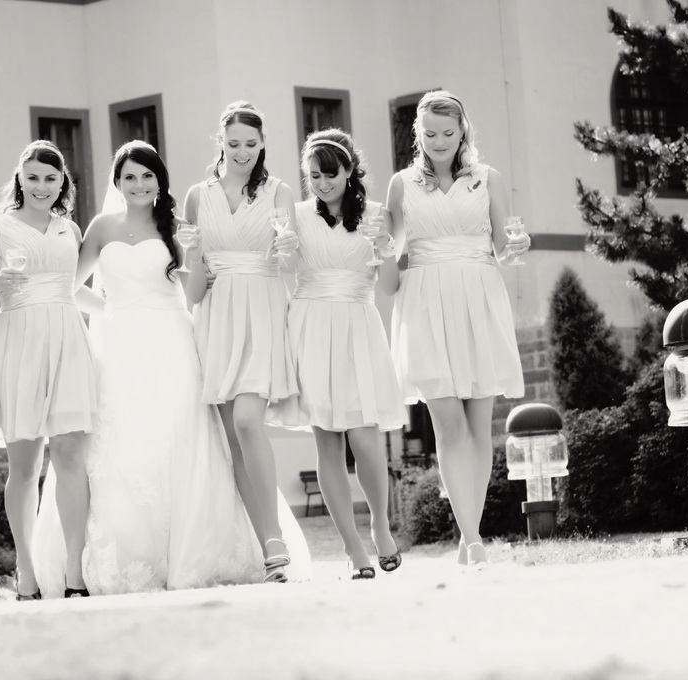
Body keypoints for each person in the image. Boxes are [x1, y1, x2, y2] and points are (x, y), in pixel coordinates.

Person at [38, 140, 264, 595]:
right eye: (129, 177)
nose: (139, 184)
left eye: (147, 176)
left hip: (171, 341)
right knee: (121, 441)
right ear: (117, 183)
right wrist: (108, 310)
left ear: (159, 181)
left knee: (180, 436)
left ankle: (190, 552)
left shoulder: (177, 227)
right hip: (117, 345)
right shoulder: (101, 227)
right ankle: (124, 555)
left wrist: (195, 254)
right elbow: (68, 285)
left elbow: (195, 293)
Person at [386, 91, 530, 570]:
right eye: (430, 134)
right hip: (425, 304)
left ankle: (472, 535)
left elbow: (502, 247)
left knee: (477, 427)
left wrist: (518, 246)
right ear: (418, 134)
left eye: (448, 133)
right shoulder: (402, 185)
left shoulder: (489, 179)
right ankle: (472, 538)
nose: (439, 141)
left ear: (463, 130)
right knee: (448, 426)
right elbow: (389, 251)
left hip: (478, 300)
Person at [268, 129, 407, 579]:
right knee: (326, 440)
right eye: (314, 176)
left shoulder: (377, 215)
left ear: (349, 171)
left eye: (330, 174)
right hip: (310, 327)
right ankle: (352, 547)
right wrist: (283, 251)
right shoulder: (295, 216)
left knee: (365, 439)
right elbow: (286, 272)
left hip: (358, 327)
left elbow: (390, 285)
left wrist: (385, 248)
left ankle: (380, 526)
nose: (322, 183)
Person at [0, 140, 96, 600]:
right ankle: (26, 569)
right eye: (33, 177)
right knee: (25, 465)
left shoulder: (70, 230)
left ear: (63, 183)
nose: (42, 186)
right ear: (20, 180)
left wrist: (126, 310)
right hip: (18, 344)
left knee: (70, 456)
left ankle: (75, 571)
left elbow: (72, 290)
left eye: (51, 178)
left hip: (67, 342)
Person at [183, 101, 301, 584]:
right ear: (221, 143)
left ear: (263, 143)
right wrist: (194, 260)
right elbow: (193, 290)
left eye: (251, 144)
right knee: (233, 439)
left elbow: (291, 266)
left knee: (250, 421)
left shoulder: (279, 192)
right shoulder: (197, 196)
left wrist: (289, 249)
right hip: (216, 318)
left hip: (263, 312)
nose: (242, 152)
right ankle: (268, 549)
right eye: (233, 144)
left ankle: (275, 538)